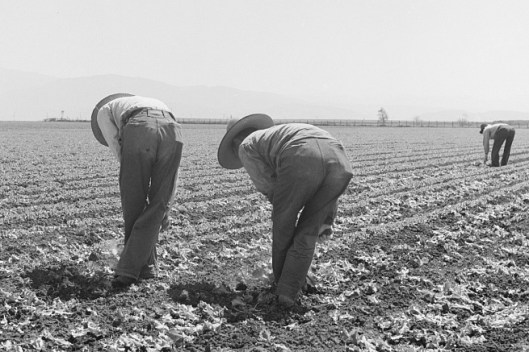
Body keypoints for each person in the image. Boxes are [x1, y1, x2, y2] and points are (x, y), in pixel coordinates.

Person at [217, 114, 353, 306]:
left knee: (283, 227)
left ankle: (281, 287)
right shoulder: (279, 133)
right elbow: (326, 160)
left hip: (302, 158)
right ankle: (293, 287)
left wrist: (284, 208)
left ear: (236, 140)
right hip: (340, 161)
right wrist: (327, 218)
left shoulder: (246, 145)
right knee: (308, 232)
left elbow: (268, 185)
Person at [91, 93, 183, 288]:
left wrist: (128, 169)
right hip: (173, 129)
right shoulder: (151, 101)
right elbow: (173, 177)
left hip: (140, 129)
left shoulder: (103, 112)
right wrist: (167, 208)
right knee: (159, 203)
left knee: (134, 202)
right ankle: (148, 268)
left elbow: (116, 145)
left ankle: (128, 269)